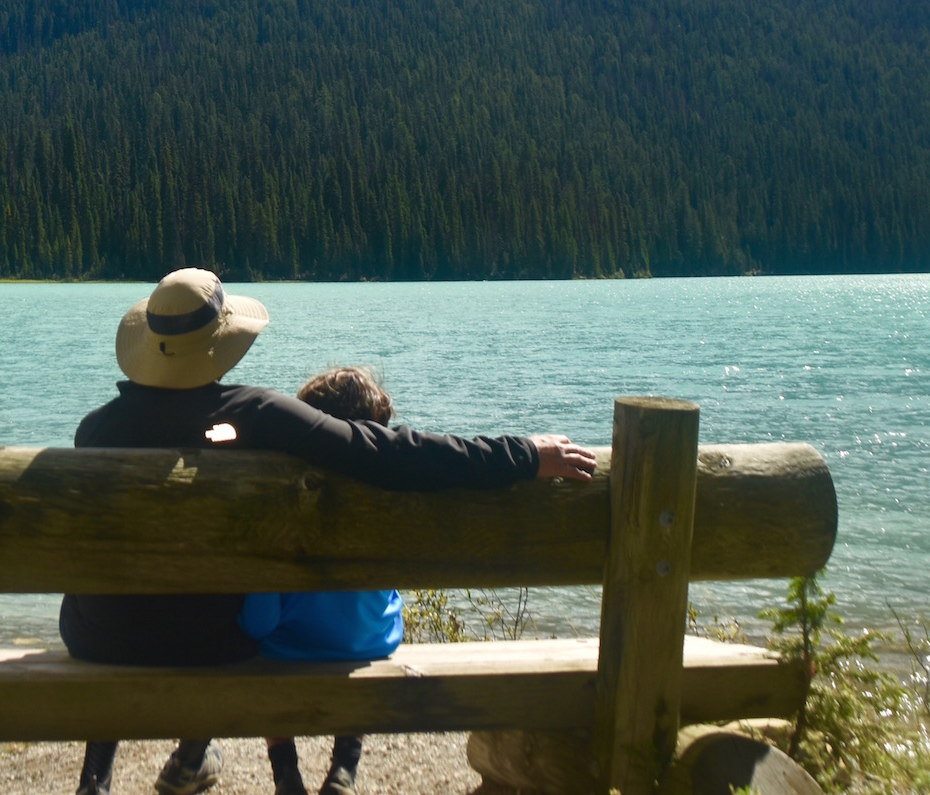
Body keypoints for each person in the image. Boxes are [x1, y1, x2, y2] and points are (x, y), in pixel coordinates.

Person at [62, 269, 596, 795]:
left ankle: (103, 779)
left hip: (97, 640)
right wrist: (525, 455)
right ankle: (201, 756)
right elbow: (386, 452)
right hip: (212, 646)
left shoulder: (96, 429)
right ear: (220, 343)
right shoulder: (255, 414)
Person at [241, 367, 401, 795]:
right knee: (362, 626)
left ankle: (286, 774)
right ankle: (345, 767)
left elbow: (258, 622)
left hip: (289, 651)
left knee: (260, 645)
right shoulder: (388, 496)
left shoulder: (284, 501)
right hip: (370, 642)